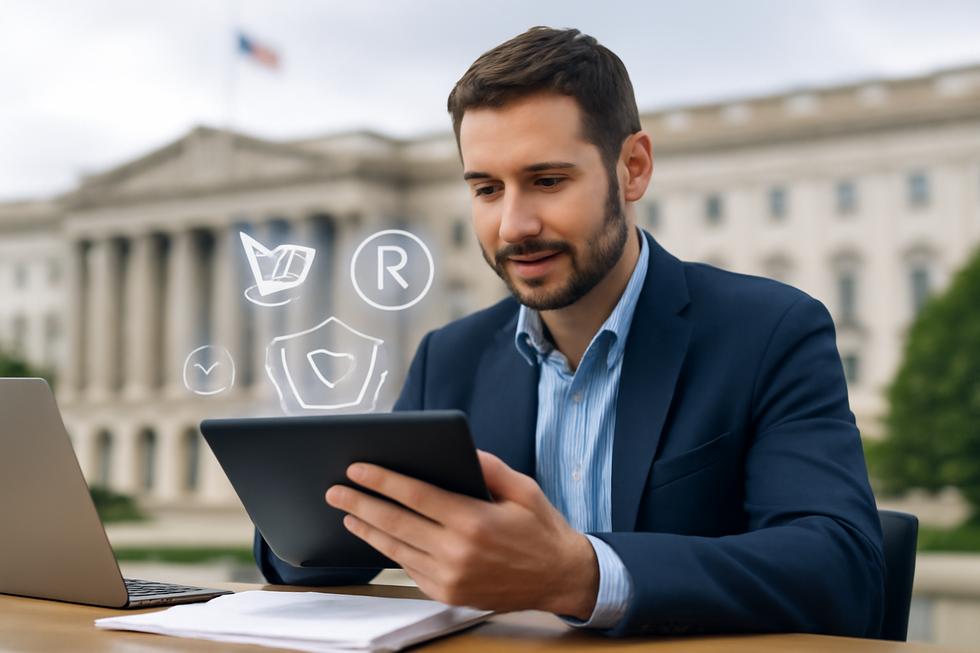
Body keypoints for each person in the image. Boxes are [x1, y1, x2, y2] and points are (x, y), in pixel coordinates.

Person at [255, 26, 885, 637]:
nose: (513, 225)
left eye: (547, 181)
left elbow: (842, 570)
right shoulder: (449, 357)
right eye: (487, 189)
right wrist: (299, 508)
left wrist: (579, 576)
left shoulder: (770, 331)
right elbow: (332, 549)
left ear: (632, 168)